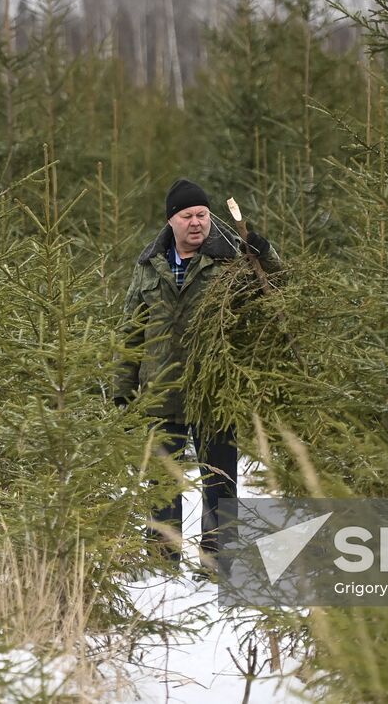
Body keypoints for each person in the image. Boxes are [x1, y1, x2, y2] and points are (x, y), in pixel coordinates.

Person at [115, 178, 281, 568]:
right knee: (162, 482)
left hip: (214, 388)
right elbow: (130, 329)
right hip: (160, 390)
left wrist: (265, 253)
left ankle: (219, 562)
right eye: (188, 215)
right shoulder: (149, 265)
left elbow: (275, 286)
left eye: (203, 215)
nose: (197, 223)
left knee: (220, 482)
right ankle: (161, 560)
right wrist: (123, 386)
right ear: (171, 220)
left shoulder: (230, 259)